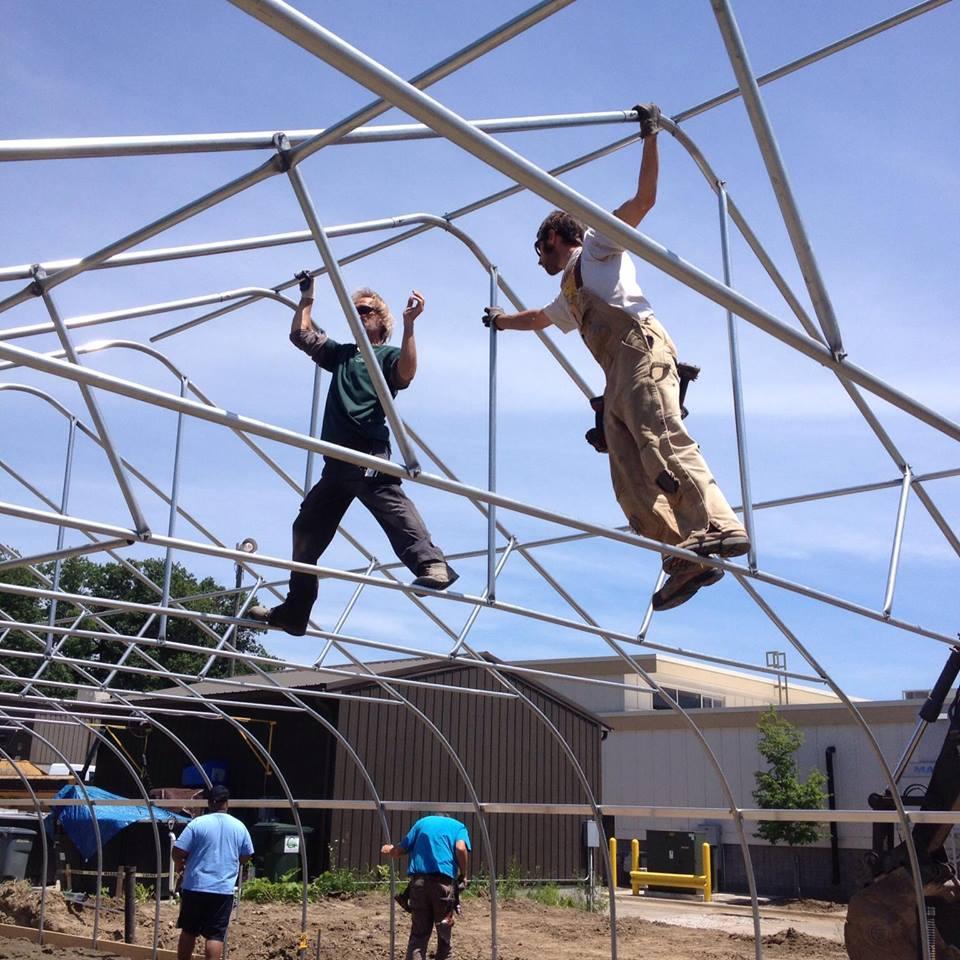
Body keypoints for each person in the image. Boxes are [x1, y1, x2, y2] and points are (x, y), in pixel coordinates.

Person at [483, 104, 749, 611]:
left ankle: (717, 523)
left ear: (557, 237)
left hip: (641, 352)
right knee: (628, 475)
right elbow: (540, 318)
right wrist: (501, 320)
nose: (539, 258)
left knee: (661, 438)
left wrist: (651, 137)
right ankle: (681, 555)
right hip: (617, 375)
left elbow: (644, 200)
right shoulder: (571, 293)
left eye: (540, 247)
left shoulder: (599, 248)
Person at [250, 274, 458, 636]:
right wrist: (307, 297)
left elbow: (406, 373)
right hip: (336, 461)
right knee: (306, 529)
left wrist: (410, 327)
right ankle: (295, 612)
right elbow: (301, 335)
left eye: (365, 310)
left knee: (391, 507)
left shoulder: (385, 355)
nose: (358, 315)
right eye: (354, 310)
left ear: (381, 320)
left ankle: (432, 565)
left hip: (366, 451)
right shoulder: (343, 355)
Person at [172, 785, 253, 960]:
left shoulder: (197, 824)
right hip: (222, 890)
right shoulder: (239, 827)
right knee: (215, 936)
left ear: (209, 803)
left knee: (189, 931)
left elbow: (177, 851)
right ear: (227, 803)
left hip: (195, 886)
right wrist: (232, 860)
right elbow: (247, 855)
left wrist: (180, 864)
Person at [381, 814, 470, 960]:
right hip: (443, 885)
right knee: (444, 938)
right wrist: (464, 874)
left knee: (418, 937)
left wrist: (389, 849)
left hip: (419, 885)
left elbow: (398, 851)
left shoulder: (422, 823)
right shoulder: (458, 827)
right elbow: (460, 848)